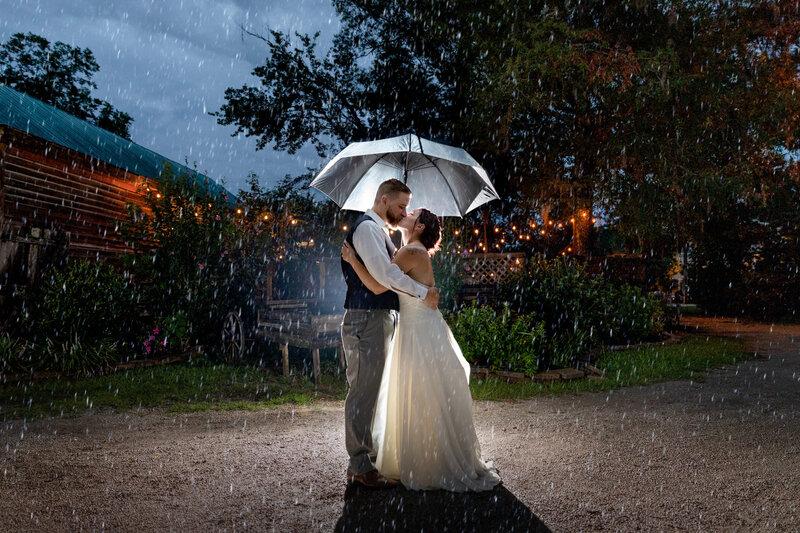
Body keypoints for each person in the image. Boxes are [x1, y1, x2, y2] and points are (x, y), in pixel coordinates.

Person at [342, 207, 501, 492]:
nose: (405, 213)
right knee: (421, 391)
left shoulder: (411, 252)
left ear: (418, 228)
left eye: (411, 213)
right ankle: (421, 456)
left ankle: (425, 462)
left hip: (418, 331)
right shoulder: (408, 249)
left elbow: (379, 286)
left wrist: (354, 260)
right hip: (418, 327)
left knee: (420, 391)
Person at [340, 179, 440, 489]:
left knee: (371, 390)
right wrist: (423, 291)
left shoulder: (380, 232)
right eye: (401, 206)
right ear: (384, 200)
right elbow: (383, 278)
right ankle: (360, 465)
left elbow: (386, 276)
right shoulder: (368, 230)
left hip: (377, 318)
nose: (404, 212)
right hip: (366, 319)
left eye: (407, 208)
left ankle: (366, 461)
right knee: (363, 392)